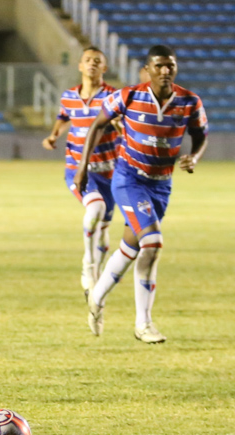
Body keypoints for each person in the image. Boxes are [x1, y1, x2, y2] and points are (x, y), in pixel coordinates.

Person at [74, 45, 208, 343]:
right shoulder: (129, 96)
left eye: (170, 66)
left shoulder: (189, 102)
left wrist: (194, 157)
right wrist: (83, 167)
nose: (165, 71)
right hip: (129, 180)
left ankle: (96, 298)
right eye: (158, 66)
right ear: (147, 70)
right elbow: (97, 125)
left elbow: (200, 135)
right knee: (154, 243)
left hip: (161, 185)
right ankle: (143, 324)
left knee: (131, 248)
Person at [42, 46, 119, 299]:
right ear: (80, 65)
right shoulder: (69, 96)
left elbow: (122, 122)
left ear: (104, 68)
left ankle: (96, 275)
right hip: (78, 170)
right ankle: (88, 267)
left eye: (97, 61)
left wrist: (120, 126)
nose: (92, 64)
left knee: (104, 228)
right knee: (94, 210)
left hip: (109, 171)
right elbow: (64, 116)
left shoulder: (112, 96)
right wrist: (54, 135)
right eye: (88, 60)